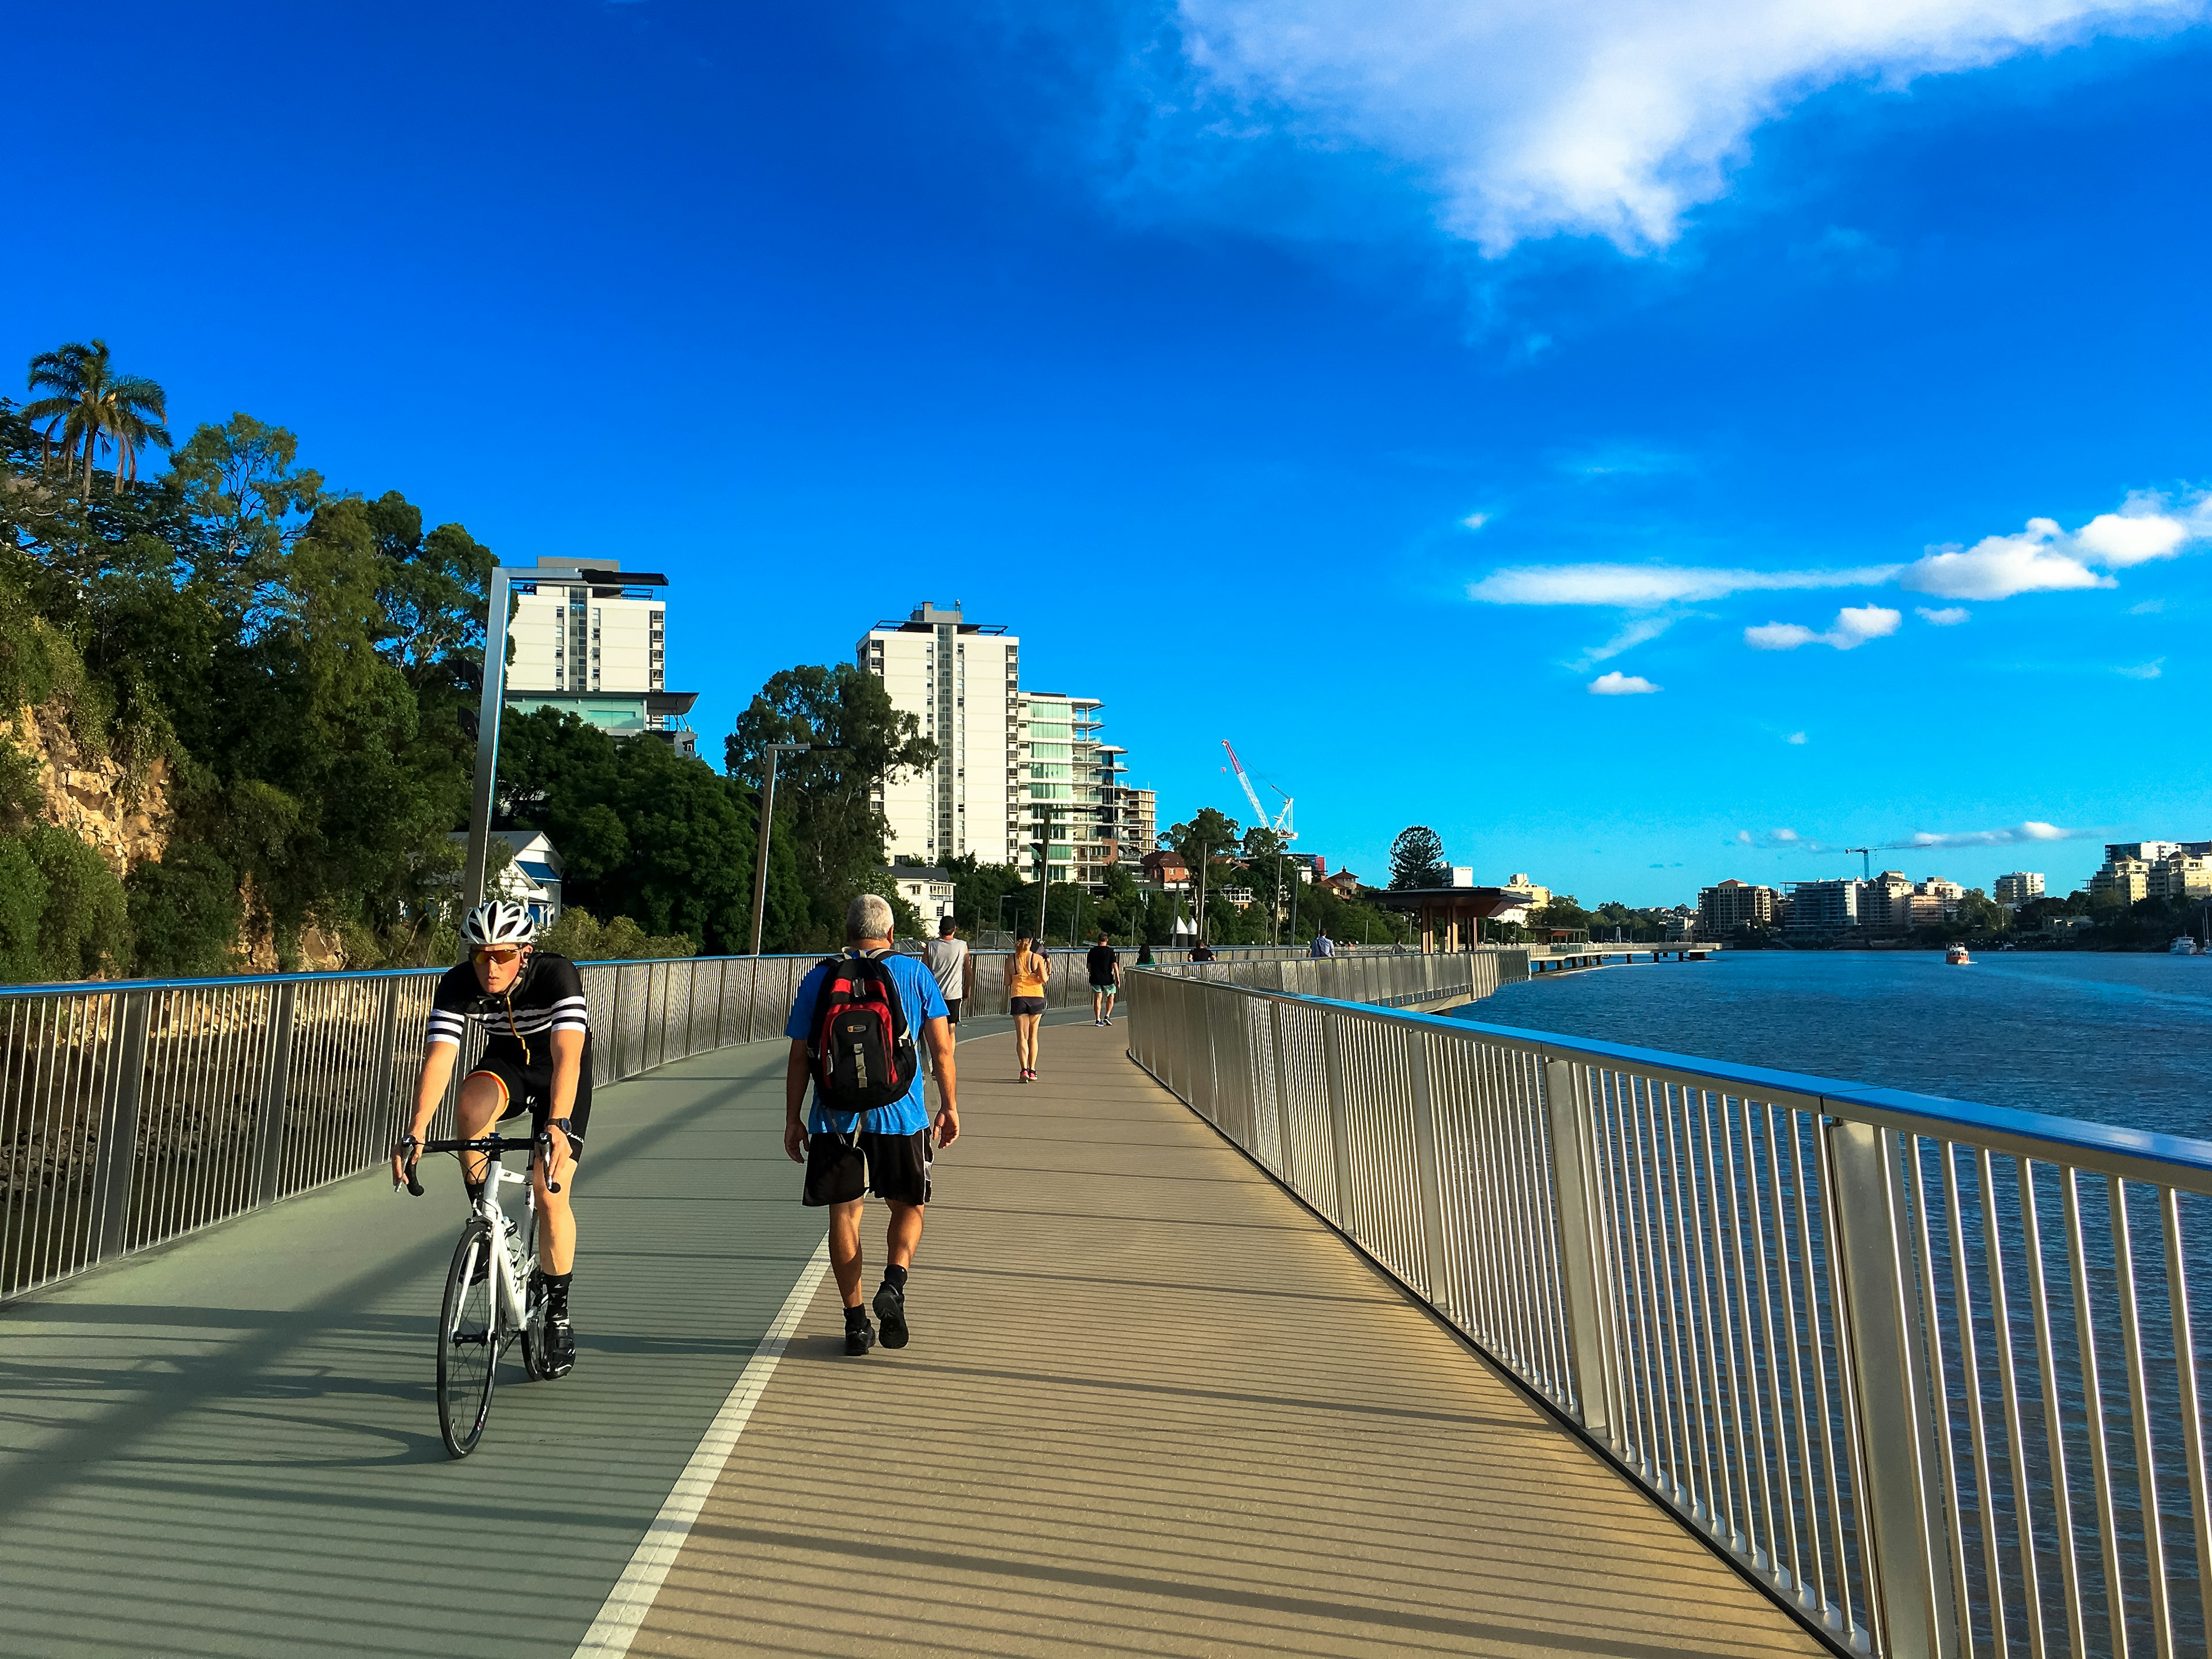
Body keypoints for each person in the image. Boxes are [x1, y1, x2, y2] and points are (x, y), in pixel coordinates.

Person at [392, 899, 592, 1377]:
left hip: (559, 1077)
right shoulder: (459, 983)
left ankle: (559, 1315)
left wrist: (558, 1124)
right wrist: (417, 1128)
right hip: (507, 1065)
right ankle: (487, 1222)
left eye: (502, 955)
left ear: (525, 953)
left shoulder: (556, 975)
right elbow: (440, 1058)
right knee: (468, 1107)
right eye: (481, 956)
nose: (491, 966)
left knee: (548, 1194)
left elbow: (569, 1054)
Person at [784, 894, 960, 1357]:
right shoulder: (914, 973)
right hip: (902, 1114)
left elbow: (800, 1054)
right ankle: (894, 1284)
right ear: (891, 934)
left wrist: (792, 1119)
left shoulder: (820, 978)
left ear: (847, 933)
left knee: (844, 1215)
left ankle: (855, 1323)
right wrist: (950, 1105)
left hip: (835, 1118)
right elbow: (941, 1049)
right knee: (909, 1205)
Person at [923, 916, 971, 1060]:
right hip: (954, 994)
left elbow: (925, 971)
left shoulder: (931, 946)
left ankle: (937, 1061)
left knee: (936, 1031)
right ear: (954, 929)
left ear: (940, 930)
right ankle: (948, 1061)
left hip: (935, 995)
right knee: (951, 1030)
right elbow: (968, 970)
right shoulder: (962, 946)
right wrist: (967, 990)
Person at [1007, 933, 1050, 1082]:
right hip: (1036, 997)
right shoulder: (1037, 958)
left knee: (1022, 1037)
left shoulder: (1011, 959)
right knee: (1033, 1036)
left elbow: (1007, 982)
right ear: (1030, 942)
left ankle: (1024, 1070)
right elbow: (1044, 979)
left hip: (1018, 997)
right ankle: (1033, 1070)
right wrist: (1036, 976)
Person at [1087, 928, 1121, 1026]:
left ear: (1098, 941)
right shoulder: (1110, 951)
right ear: (1107, 941)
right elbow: (1115, 965)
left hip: (1096, 977)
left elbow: (1089, 966)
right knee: (1111, 996)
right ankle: (1107, 1015)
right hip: (1108, 978)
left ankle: (1098, 1019)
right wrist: (1118, 978)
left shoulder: (1092, 951)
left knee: (1098, 998)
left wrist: (1091, 973)